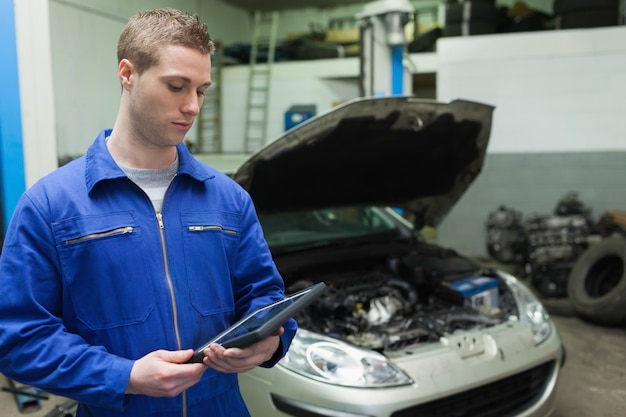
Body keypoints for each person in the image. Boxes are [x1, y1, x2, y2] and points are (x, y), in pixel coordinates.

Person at [0, 8, 297, 417]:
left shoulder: (229, 199)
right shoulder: (51, 206)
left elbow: (264, 297)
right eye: (177, 86)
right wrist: (124, 376)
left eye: (201, 90)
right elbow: (18, 337)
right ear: (127, 74)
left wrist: (271, 341)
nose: (193, 106)